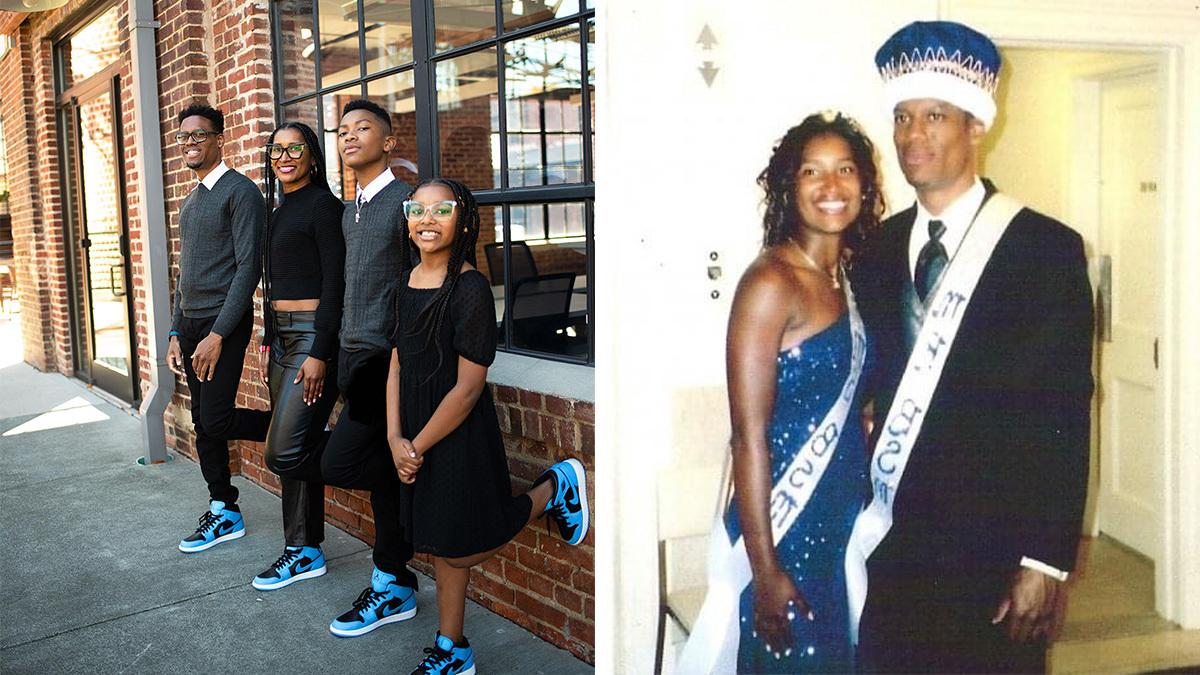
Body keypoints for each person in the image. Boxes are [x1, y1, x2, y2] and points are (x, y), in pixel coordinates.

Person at [847, 21, 1094, 674]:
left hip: (993, 555)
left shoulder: (1045, 250)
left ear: (976, 126)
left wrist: (1044, 561)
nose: (912, 135)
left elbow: (1064, 414)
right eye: (902, 117)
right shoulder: (870, 250)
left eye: (934, 116)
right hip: (891, 551)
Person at [679, 111, 883, 673]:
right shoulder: (771, 284)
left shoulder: (850, 280)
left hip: (839, 528)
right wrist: (765, 573)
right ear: (789, 188)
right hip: (782, 534)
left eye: (845, 169)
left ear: (864, 185)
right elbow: (748, 439)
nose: (831, 185)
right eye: (812, 171)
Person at [388, 177, 589, 675]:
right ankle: (452, 647)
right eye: (417, 209)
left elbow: (468, 388)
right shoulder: (404, 281)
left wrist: (416, 445)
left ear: (464, 219)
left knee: (466, 547)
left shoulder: (470, 287)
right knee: (439, 542)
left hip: (454, 433)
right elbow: (394, 364)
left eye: (442, 209)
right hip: (412, 429)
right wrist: (395, 437)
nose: (427, 220)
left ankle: (551, 490)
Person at [318, 99, 420, 637]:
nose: (350, 136)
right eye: (343, 130)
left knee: (337, 465)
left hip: (387, 359)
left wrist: (402, 354)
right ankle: (393, 575)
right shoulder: (347, 208)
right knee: (381, 473)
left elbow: (419, 282)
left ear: (389, 142)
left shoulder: (405, 203)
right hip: (351, 356)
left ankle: (393, 568)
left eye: (364, 128)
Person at [167, 102, 272, 554]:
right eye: (184, 137)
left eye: (199, 136)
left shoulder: (240, 193)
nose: (190, 144)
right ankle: (223, 508)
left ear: (218, 139)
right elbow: (183, 273)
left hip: (220, 324)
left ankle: (290, 428)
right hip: (190, 324)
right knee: (203, 425)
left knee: (214, 417)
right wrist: (175, 331)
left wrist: (217, 335)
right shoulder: (192, 201)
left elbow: (249, 269)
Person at [249, 122, 346, 590]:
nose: (284, 156)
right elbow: (279, 279)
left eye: (295, 148)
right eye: (276, 150)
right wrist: (270, 332)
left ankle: (364, 452)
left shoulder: (324, 207)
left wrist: (321, 351)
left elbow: (334, 284)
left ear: (312, 156)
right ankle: (302, 549)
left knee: (284, 450)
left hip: (311, 338)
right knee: (292, 446)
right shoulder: (278, 209)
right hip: (283, 339)